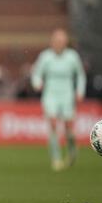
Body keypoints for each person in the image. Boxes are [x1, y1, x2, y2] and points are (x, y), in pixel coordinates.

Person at [31, 29, 86, 171]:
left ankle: (72, 151)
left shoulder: (72, 57)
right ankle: (56, 159)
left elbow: (80, 75)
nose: (58, 44)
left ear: (66, 43)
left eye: (61, 41)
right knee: (53, 124)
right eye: (56, 41)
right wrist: (37, 84)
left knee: (68, 127)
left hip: (67, 93)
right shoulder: (45, 57)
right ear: (52, 42)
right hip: (50, 93)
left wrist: (79, 91)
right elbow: (36, 74)